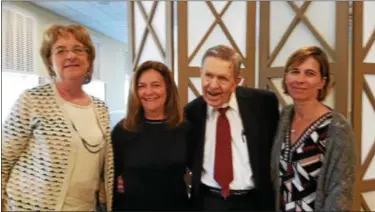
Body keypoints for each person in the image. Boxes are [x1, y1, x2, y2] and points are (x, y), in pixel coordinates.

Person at [1, 24, 113, 211]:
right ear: (50, 61)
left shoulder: (100, 108)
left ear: (89, 60)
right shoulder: (32, 100)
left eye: (78, 49)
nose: (71, 56)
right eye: (60, 51)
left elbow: (102, 168)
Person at [184, 45, 280, 211]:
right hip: (208, 203)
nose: (213, 85)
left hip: (253, 203)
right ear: (201, 73)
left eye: (222, 78)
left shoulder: (263, 104)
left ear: (236, 81)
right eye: (208, 76)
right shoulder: (191, 113)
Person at [271, 46, 356, 211]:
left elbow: (341, 192)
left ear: (322, 82)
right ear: (286, 77)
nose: (300, 79)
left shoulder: (337, 128)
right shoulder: (284, 117)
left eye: (309, 73)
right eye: (294, 71)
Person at [112, 61, 190, 211]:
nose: (148, 92)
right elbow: (108, 175)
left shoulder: (184, 128)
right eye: (142, 86)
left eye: (156, 85)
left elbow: (201, 168)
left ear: (168, 88)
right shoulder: (123, 130)